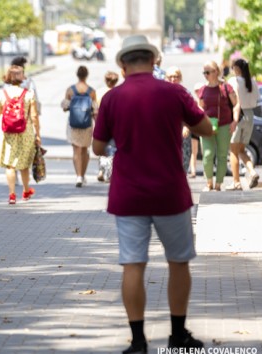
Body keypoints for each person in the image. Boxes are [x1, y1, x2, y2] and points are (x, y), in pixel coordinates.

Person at [92, 34, 213, 353]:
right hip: (170, 193)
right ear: (154, 60)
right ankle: (177, 335)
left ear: (122, 64)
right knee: (178, 263)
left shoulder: (112, 98)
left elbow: (97, 147)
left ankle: (138, 341)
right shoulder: (174, 92)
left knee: (133, 265)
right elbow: (206, 129)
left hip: (128, 194)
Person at [0, 65, 40, 204]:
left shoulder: (2, 94)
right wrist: (38, 134)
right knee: (24, 164)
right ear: (22, 77)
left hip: (7, 131)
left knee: (10, 165)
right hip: (25, 131)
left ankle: (12, 195)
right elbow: (34, 116)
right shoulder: (29, 94)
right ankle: (26, 191)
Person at [198, 60, 239, 192]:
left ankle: (218, 184)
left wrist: (235, 121)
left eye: (207, 72)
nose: (205, 75)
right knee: (208, 154)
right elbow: (200, 106)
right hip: (207, 125)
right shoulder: (203, 89)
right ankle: (209, 182)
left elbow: (237, 104)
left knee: (222, 155)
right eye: (204, 72)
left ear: (216, 72)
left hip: (224, 125)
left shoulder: (226, 87)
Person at [61, 65, 97, 188]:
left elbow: (65, 107)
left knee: (76, 150)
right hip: (87, 124)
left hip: (74, 124)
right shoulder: (91, 91)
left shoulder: (70, 90)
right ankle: (83, 174)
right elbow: (95, 110)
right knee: (85, 150)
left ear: (77, 75)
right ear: (86, 75)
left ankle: (78, 176)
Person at [227, 58, 260, 190]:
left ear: (236, 69)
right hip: (250, 115)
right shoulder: (252, 82)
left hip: (237, 115)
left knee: (233, 151)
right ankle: (252, 172)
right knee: (241, 150)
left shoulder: (233, 81)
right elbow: (257, 100)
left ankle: (236, 182)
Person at [166, 66, 191, 173]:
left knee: (183, 160)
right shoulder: (161, 93)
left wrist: (186, 126)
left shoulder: (185, 93)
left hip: (182, 130)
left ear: (180, 78)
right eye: (170, 77)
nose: (173, 79)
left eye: (175, 76)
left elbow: (189, 112)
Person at [96, 71, 119, 182]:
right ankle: (109, 171)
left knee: (101, 147)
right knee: (112, 148)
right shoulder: (118, 93)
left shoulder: (99, 93)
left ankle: (101, 169)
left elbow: (95, 110)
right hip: (115, 124)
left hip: (101, 122)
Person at [188, 83, 205, 178]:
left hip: (202, 127)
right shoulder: (193, 101)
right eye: (196, 91)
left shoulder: (205, 101)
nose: (198, 92)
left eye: (199, 90)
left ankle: (206, 172)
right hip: (195, 128)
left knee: (204, 151)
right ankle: (193, 172)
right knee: (193, 151)